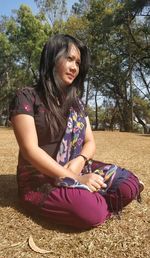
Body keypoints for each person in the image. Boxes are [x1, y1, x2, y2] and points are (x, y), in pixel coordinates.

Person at [9, 34, 144, 230]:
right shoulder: (27, 97)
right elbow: (30, 150)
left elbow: (90, 142)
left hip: (75, 168)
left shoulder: (76, 104)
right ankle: (90, 199)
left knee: (128, 185)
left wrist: (79, 162)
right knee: (91, 212)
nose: (74, 67)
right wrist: (75, 179)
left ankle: (87, 195)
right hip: (41, 179)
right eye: (69, 59)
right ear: (52, 58)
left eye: (78, 63)